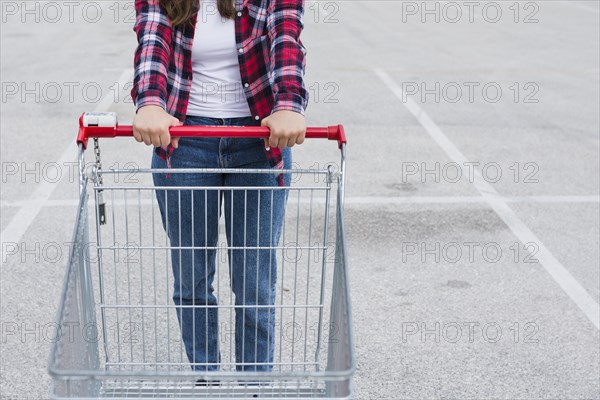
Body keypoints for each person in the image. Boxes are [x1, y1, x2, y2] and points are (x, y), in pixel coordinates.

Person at [129, 0, 308, 374]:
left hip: (259, 141)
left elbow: (286, 39)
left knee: (254, 287)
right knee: (191, 282)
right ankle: (207, 383)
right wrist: (149, 103)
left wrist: (289, 104)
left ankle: (252, 389)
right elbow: (153, 40)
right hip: (185, 141)